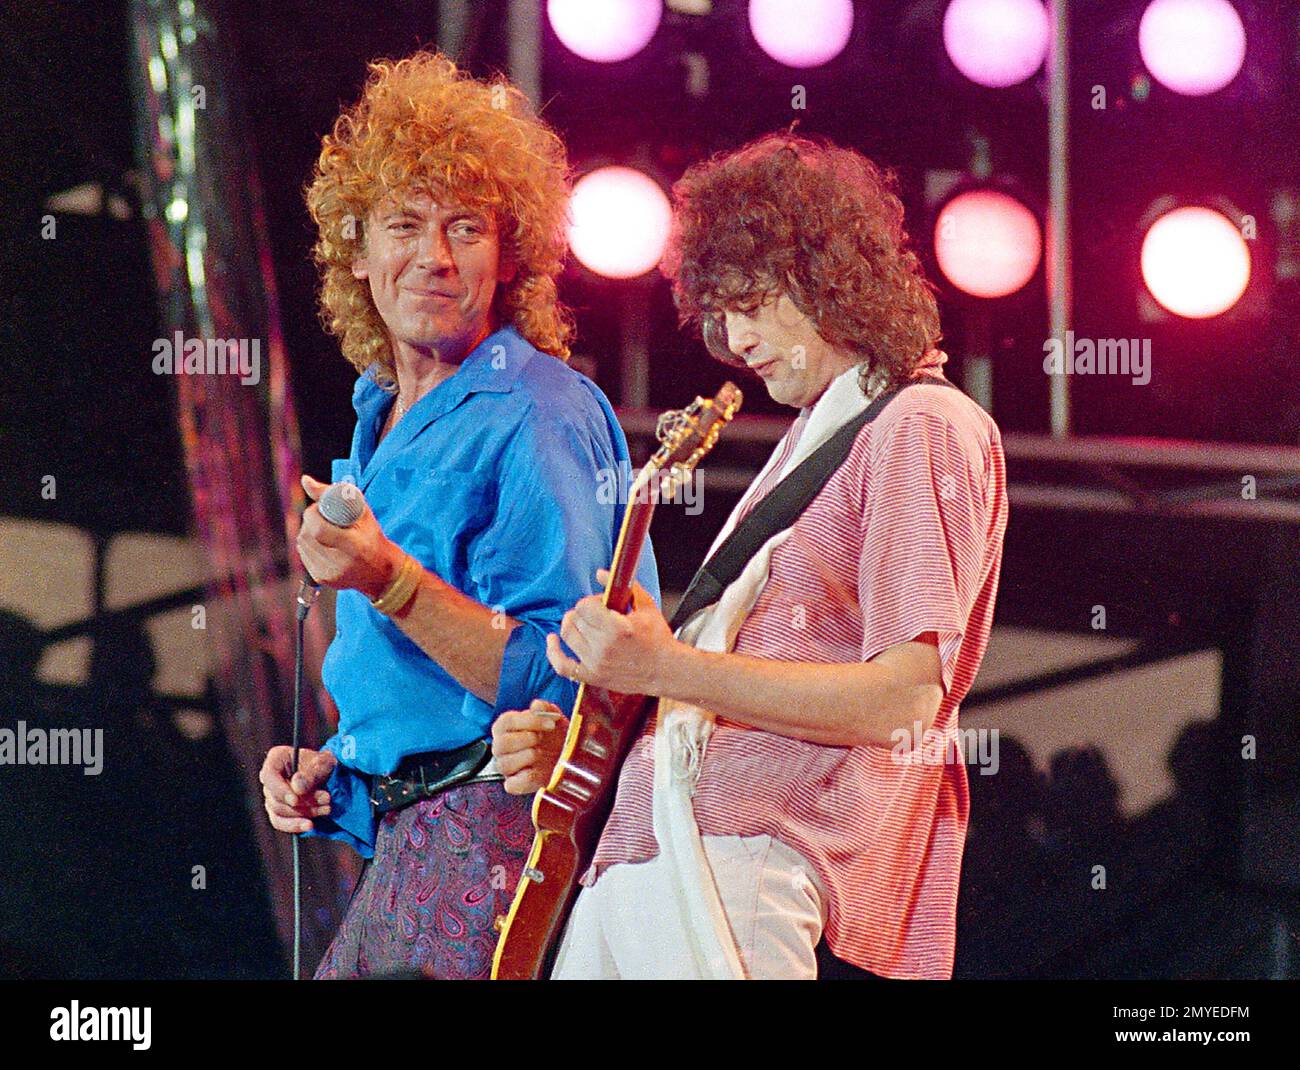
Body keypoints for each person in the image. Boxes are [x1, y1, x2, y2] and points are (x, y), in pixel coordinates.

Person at [493, 133, 1007, 980]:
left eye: (753, 302)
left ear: (827, 275)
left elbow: (905, 701)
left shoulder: (921, 423)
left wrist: (667, 667)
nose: (733, 339)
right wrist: (618, 709)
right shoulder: (818, 433)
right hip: (652, 851)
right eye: (718, 313)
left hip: (746, 859)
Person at [257, 50, 658, 980]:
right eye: (404, 224)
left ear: (509, 252)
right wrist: (341, 778)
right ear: (355, 250)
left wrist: (388, 580)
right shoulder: (379, 413)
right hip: (408, 838)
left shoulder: (537, 410)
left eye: (465, 228)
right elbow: (431, 700)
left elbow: (580, 678)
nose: (433, 257)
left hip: (492, 842)